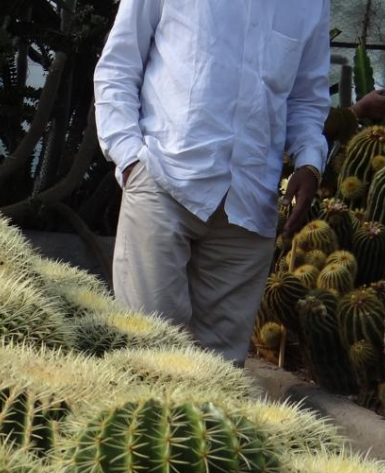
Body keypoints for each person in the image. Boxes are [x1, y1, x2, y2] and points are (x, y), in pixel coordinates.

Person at [94, 0, 332, 366]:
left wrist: (309, 162)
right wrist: (129, 159)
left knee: (221, 373)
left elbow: (306, 99)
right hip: (163, 180)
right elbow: (119, 64)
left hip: (249, 205)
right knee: (146, 355)